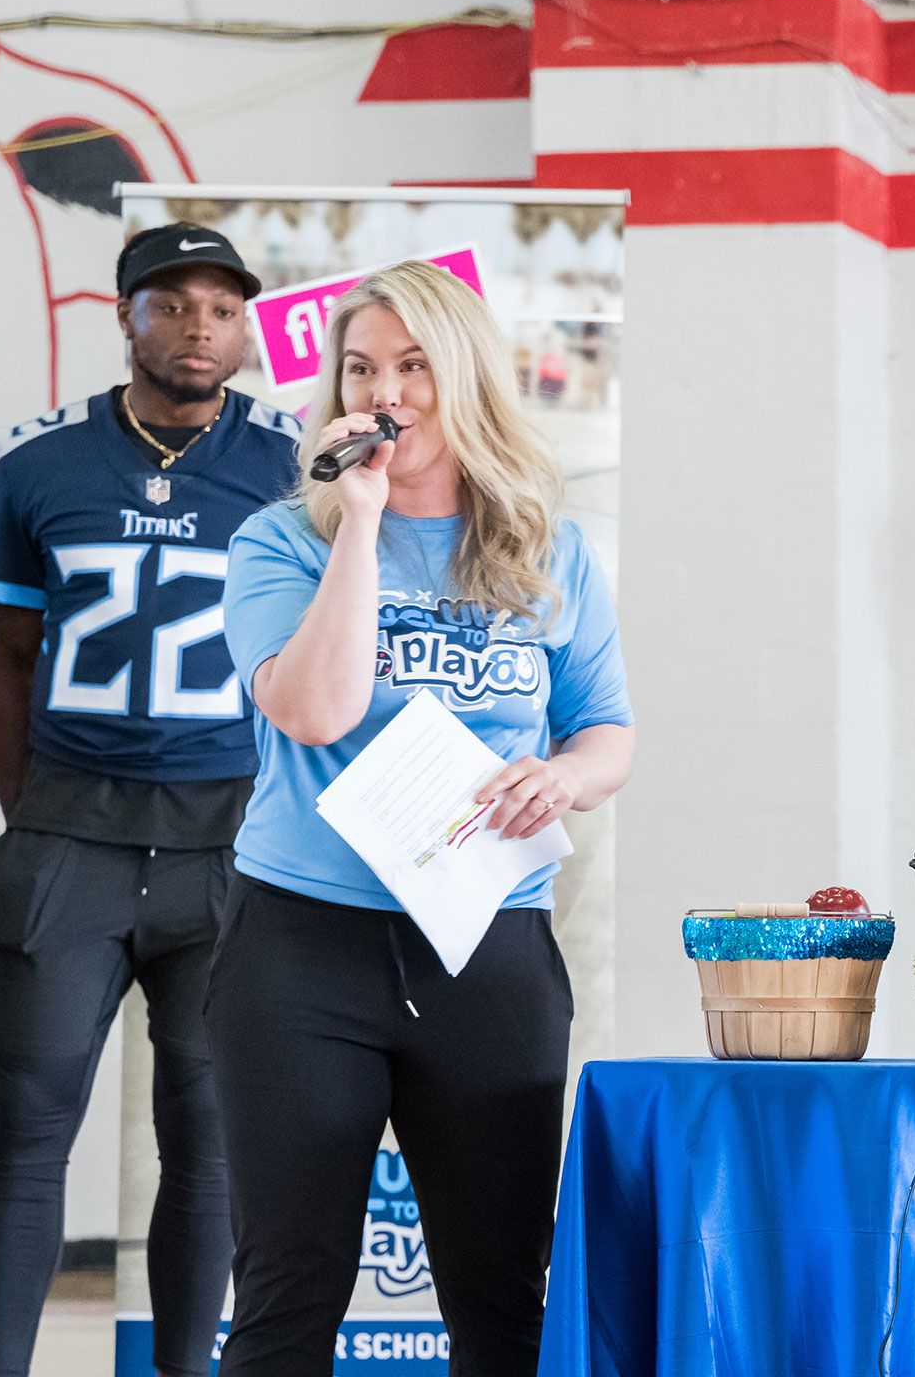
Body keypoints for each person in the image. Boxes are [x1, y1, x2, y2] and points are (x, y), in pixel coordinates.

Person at [210, 259, 634, 1375]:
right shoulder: (278, 543)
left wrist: (565, 780)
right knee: (288, 1289)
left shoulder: (551, 551)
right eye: (360, 367)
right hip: (303, 948)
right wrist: (358, 522)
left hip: (486, 943)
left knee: (501, 1293)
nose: (386, 391)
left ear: (465, 378)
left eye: (413, 366)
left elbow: (607, 734)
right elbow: (315, 709)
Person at [0, 223, 296, 1377]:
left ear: (247, 324)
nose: (199, 326)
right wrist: (36, 814)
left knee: (204, 1145)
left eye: (221, 306)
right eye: (172, 303)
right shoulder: (36, 461)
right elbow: (6, 652)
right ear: (126, 316)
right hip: (72, 840)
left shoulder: (293, 463)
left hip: (228, 845)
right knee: (33, 1131)